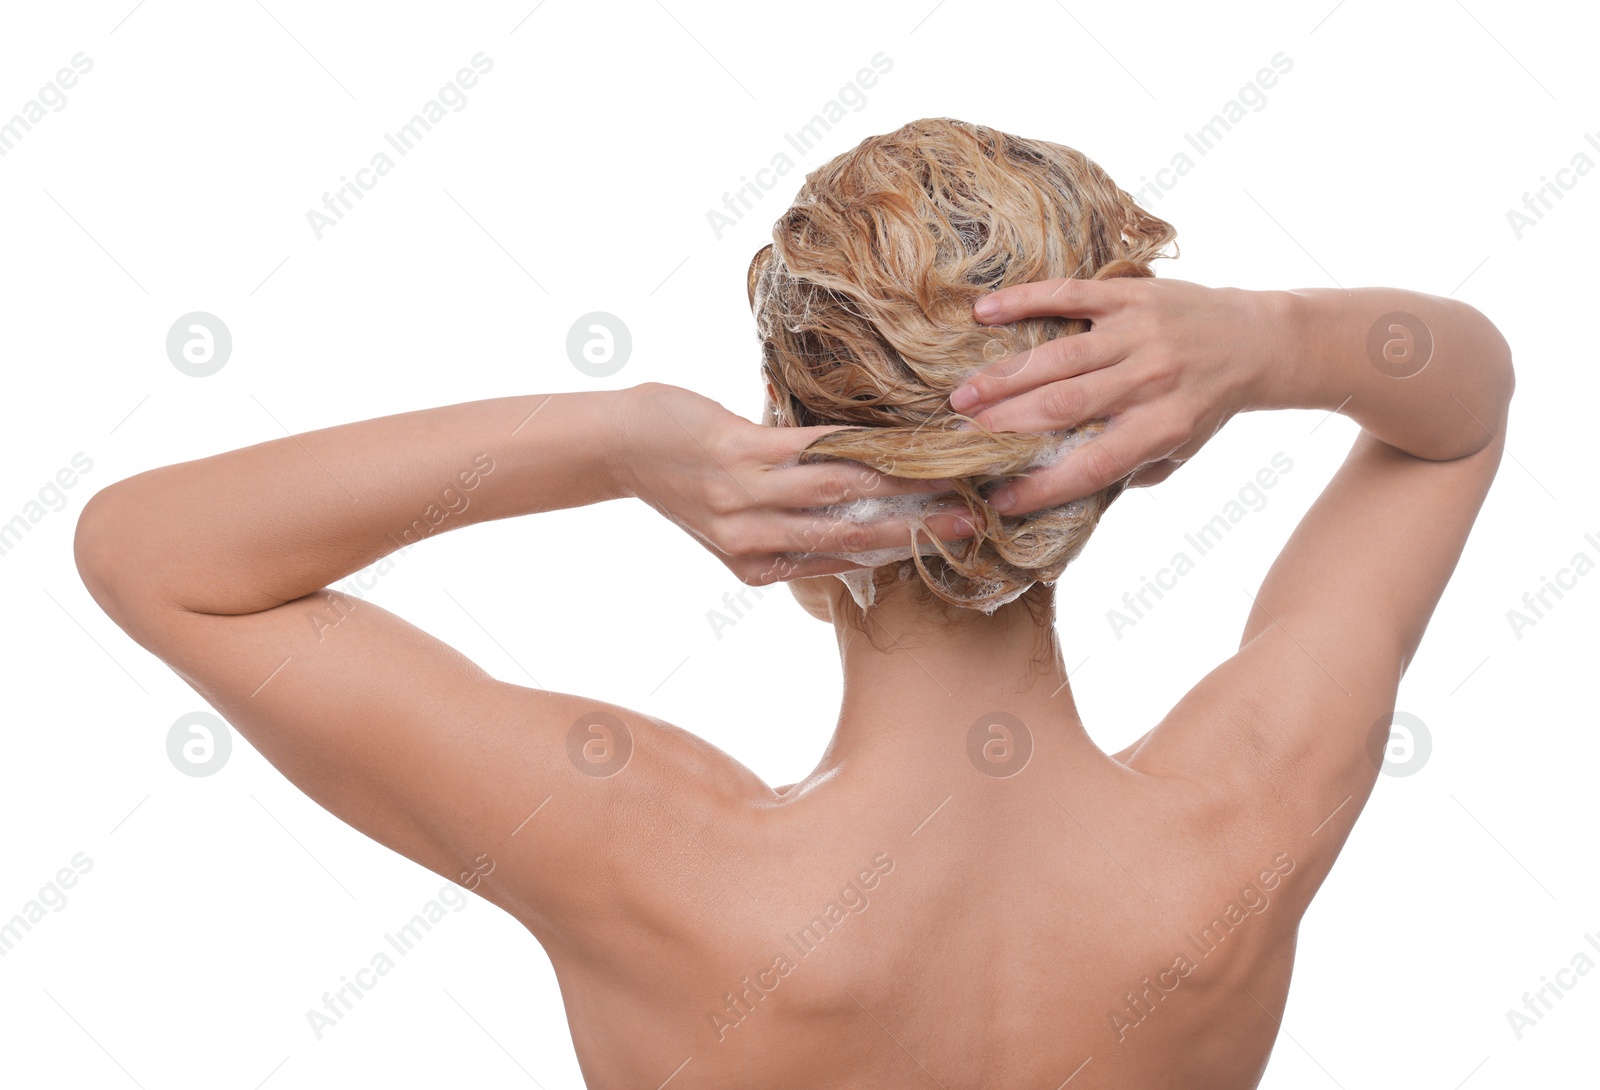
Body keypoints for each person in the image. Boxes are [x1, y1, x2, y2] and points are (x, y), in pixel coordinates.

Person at [74, 118, 1513, 1088]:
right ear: (1127, 447)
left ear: (781, 422)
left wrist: (619, 440)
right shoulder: (1250, 813)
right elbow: (1463, 404)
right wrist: (1270, 340)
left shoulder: (642, 852)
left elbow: (151, 555)